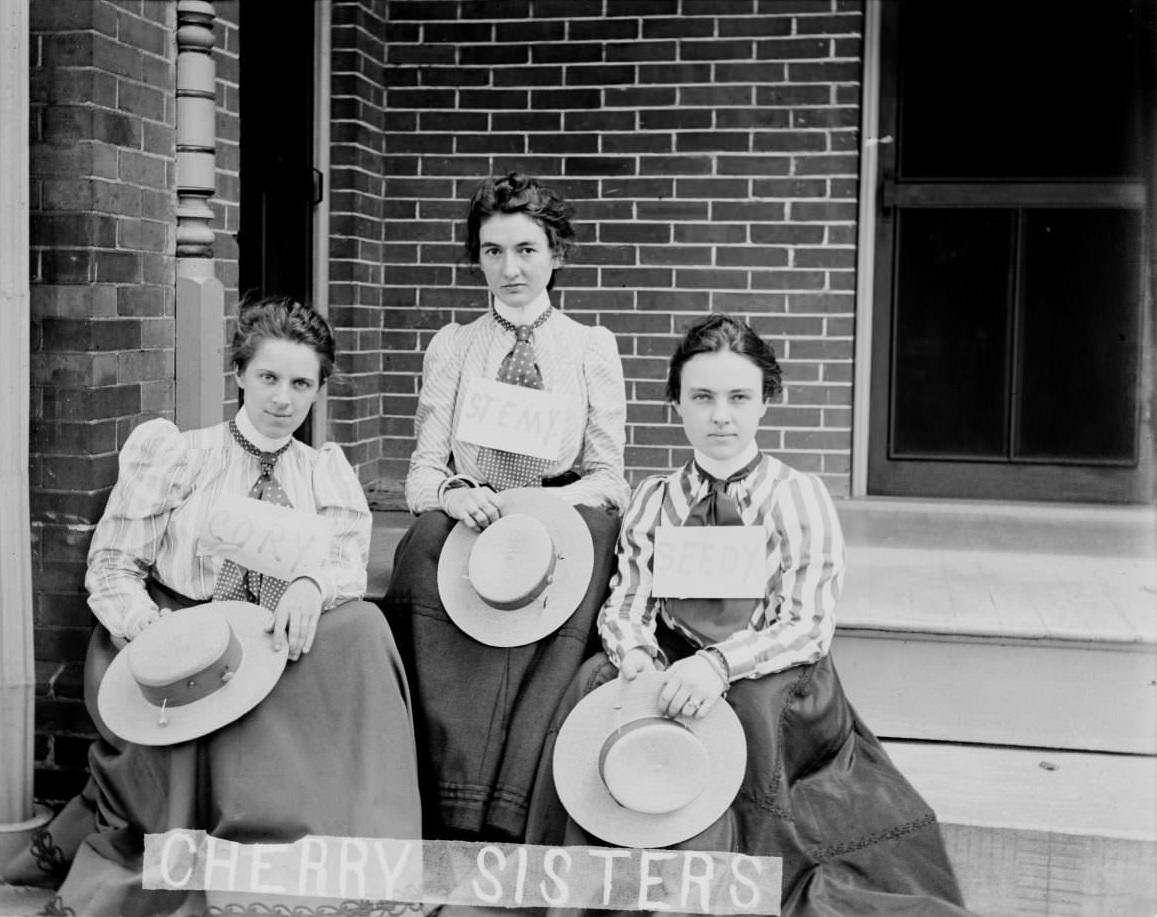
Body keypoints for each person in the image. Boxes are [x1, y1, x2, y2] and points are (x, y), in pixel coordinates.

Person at [526, 314, 974, 916]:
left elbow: (805, 623)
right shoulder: (655, 500)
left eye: (739, 398)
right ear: (675, 405)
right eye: (702, 398)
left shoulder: (796, 496)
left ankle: (712, 887)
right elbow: (627, 602)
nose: (721, 417)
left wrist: (718, 665)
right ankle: (602, 874)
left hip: (769, 666)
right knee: (597, 687)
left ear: (766, 402)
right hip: (672, 657)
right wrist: (639, 659)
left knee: (742, 709)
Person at [6, 296, 421, 916]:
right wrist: (153, 631)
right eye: (268, 378)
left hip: (278, 642)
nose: (283, 399)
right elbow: (115, 564)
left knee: (363, 627)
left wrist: (310, 587)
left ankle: (348, 849)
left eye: (301, 383)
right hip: (183, 631)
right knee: (197, 679)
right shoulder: (180, 454)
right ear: (240, 375)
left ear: (319, 390)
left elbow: (344, 562)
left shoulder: (323, 472)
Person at [380, 172, 629, 842]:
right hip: (476, 515)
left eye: (525, 249)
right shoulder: (453, 346)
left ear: (556, 253)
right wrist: (457, 496)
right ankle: (446, 794)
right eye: (492, 251)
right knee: (422, 545)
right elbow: (422, 476)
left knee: (595, 543)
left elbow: (610, 477)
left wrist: (549, 503)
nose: (509, 268)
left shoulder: (588, 346)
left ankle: (515, 797)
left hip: (563, 509)